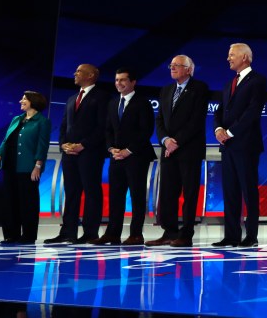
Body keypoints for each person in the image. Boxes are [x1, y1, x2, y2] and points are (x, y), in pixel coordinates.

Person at [146, 55, 210, 247]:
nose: (172, 68)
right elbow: (160, 120)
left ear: (189, 69)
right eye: (171, 65)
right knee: (167, 192)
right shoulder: (166, 90)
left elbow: (196, 121)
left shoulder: (199, 88)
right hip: (169, 150)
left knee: (189, 193)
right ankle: (169, 232)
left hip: (189, 149)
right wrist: (165, 140)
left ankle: (186, 234)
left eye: (177, 66)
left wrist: (177, 141)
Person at [45, 64, 110, 244]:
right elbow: (64, 126)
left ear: (90, 75)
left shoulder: (102, 97)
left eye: (79, 71)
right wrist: (63, 145)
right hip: (69, 154)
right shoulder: (72, 98)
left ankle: (90, 233)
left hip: (90, 153)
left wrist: (83, 145)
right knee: (71, 192)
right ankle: (68, 232)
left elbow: (102, 126)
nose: (75, 74)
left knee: (91, 192)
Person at [91, 68, 156, 246]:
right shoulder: (113, 103)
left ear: (133, 82)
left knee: (137, 196)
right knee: (115, 196)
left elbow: (146, 131)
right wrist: (112, 148)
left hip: (136, 157)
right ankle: (112, 233)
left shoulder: (142, 103)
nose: (118, 83)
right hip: (116, 157)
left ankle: (136, 234)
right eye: (117, 80)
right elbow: (108, 130)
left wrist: (129, 150)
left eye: (123, 80)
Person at [212, 43, 267, 248]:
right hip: (228, 146)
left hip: (246, 145)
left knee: (248, 190)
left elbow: (252, 112)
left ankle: (251, 236)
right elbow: (219, 112)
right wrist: (218, 130)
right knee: (230, 191)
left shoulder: (258, 81)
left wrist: (230, 132)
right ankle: (231, 236)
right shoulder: (229, 84)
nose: (228, 58)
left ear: (244, 57)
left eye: (231, 55)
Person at [0, 91, 52, 245]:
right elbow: (6, 141)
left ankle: (28, 235)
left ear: (33, 101)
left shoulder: (42, 122)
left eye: (24, 99)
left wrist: (38, 166)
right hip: (10, 165)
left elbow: (42, 146)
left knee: (28, 202)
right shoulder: (16, 119)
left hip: (28, 168)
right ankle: (11, 235)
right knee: (10, 201)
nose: (21, 101)